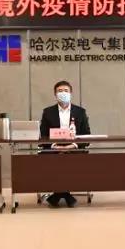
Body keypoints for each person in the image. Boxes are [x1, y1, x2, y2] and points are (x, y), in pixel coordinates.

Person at [39, 80, 91, 208]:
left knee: (70, 160)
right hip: (52, 150)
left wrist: (72, 146)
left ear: (71, 93)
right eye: (60, 91)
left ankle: (58, 195)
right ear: (55, 94)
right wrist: (54, 146)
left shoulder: (80, 112)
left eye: (66, 91)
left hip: (75, 149)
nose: (63, 93)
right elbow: (43, 136)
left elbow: (86, 135)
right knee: (51, 160)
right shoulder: (48, 112)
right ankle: (66, 195)